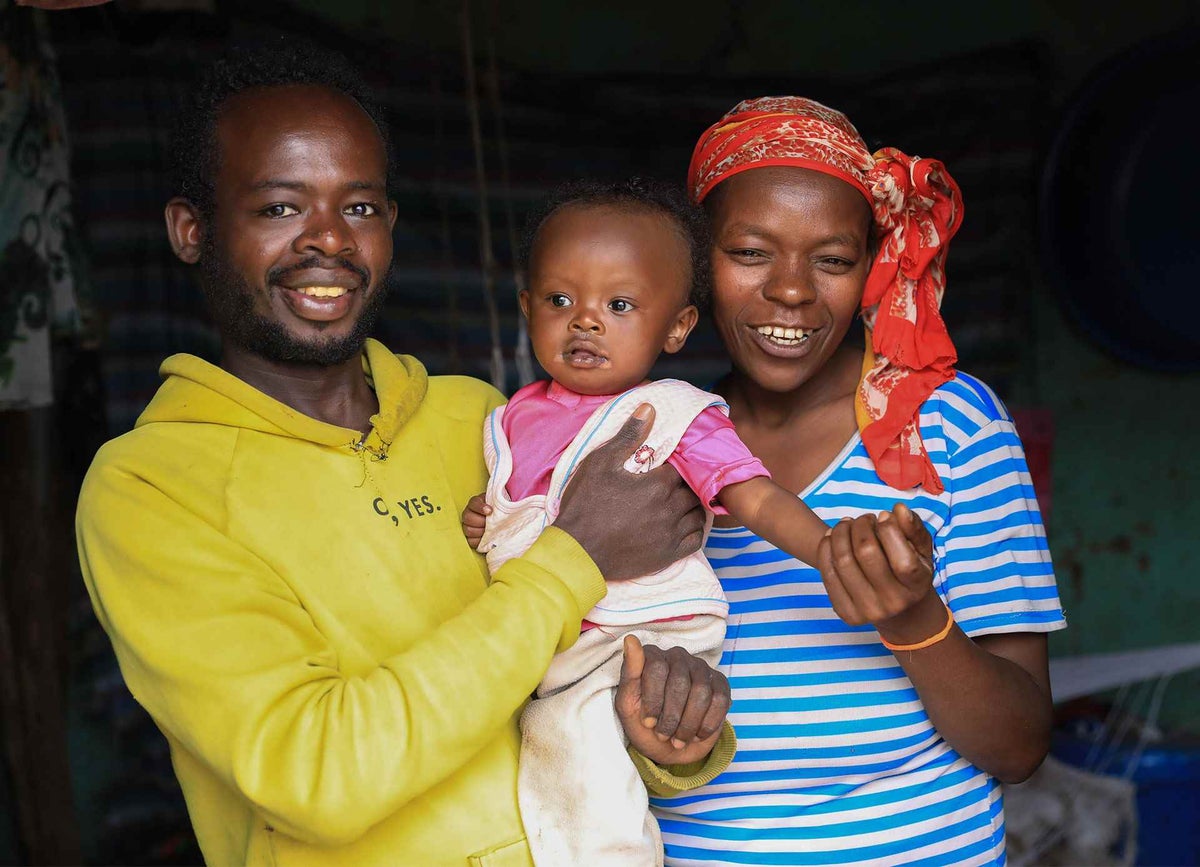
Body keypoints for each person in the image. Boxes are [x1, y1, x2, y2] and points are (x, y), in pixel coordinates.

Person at [73, 41, 736, 867]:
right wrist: (573, 558)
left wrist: (661, 736)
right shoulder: (150, 486)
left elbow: (558, 690)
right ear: (192, 229)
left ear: (390, 225)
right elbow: (319, 774)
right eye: (280, 207)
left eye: (358, 208)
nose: (328, 242)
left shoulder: (485, 419)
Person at [647, 96, 1067, 866]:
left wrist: (914, 619)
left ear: (872, 266)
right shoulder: (649, 442)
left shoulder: (948, 428)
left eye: (832, 259)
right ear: (697, 262)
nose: (793, 291)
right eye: (750, 252)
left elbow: (1018, 747)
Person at [460, 178, 866, 866]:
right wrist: (491, 516)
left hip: (639, 633)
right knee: (536, 769)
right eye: (561, 300)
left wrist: (829, 550)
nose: (585, 320)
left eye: (619, 305)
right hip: (547, 639)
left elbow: (753, 496)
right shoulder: (510, 417)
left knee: (582, 768)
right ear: (527, 307)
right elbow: (524, 502)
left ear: (676, 327)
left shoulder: (674, 416)